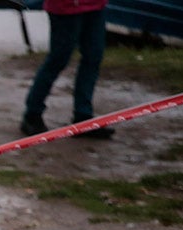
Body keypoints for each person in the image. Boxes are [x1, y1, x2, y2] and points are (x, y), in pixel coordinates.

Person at [20, 0, 115, 140]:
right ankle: (32, 114)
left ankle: (83, 117)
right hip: (65, 8)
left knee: (93, 58)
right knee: (58, 60)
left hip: (95, 6)